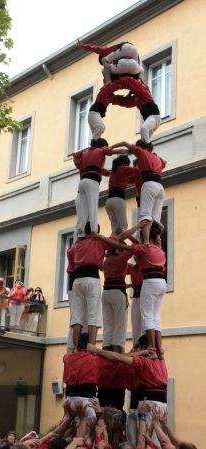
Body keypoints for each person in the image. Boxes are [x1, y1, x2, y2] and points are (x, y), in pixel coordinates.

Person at [68, 222, 132, 347]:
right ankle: (91, 346)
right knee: (94, 314)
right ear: (96, 231)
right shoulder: (99, 242)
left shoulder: (75, 245)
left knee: (77, 315)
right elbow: (119, 239)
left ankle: (76, 348)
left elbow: (70, 264)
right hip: (92, 278)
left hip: (77, 280)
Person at [111, 139, 166, 244]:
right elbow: (164, 163)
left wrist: (110, 148)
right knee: (156, 219)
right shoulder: (157, 157)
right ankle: (157, 243)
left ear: (139, 147)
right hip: (160, 187)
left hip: (149, 184)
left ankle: (145, 242)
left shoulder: (141, 152)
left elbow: (124, 143)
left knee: (145, 215)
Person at [131, 222, 167, 357]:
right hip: (162, 282)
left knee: (147, 315)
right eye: (159, 236)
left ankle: (151, 350)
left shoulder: (145, 248)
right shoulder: (160, 251)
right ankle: (159, 349)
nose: (161, 238)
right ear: (155, 237)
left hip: (150, 281)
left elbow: (137, 256)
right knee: (155, 315)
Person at [71, 138, 118, 236]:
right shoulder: (101, 151)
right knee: (93, 206)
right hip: (92, 182)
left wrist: (109, 173)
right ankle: (93, 230)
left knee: (83, 212)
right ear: (103, 146)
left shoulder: (85, 154)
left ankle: (79, 232)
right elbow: (112, 151)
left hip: (81, 184)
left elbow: (101, 170)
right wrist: (127, 150)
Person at [63, 333, 98, 438]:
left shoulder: (67, 358)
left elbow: (67, 355)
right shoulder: (95, 358)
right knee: (87, 438)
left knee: (70, 435)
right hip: (87, 402)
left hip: (70, 401)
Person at [109, 76, 161, 144]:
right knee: (144, 140)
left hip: (154, 117)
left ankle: (146, 148)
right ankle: (146, 150)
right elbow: (127, 102)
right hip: (151, 119)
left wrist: (115, 82)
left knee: (143, 129)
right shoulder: (137, 98)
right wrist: (113, 99)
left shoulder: (143, 90)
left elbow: (131, 82)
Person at [105, 155, 140, 233]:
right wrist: (137, 165)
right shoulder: (123, 168)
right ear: (125, 163)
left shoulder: (114, 172)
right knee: (123, 226)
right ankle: (119, 243)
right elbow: (138, 171)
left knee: (115, 228)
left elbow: (130, 180)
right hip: (118, 199)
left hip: (109, 201)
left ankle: (113, 243)